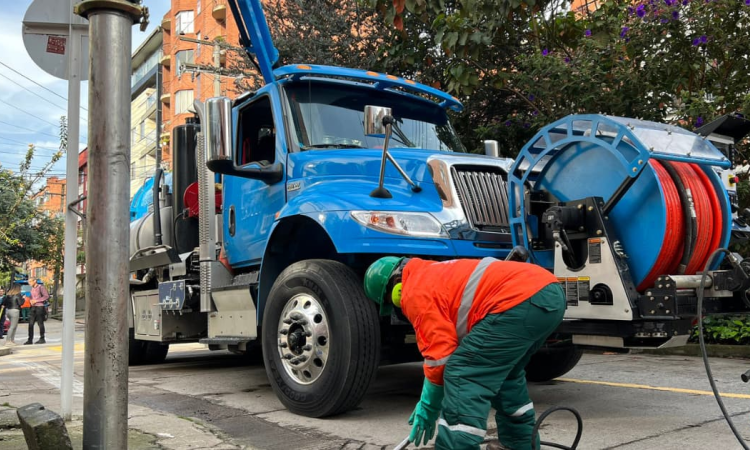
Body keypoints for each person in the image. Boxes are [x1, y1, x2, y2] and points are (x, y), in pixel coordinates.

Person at [364, 256, 566, 450]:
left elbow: (440, 359)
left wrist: (428, 406)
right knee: (506, 377)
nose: (399, 306)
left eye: (393, 302)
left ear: (397, 287)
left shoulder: (414, 290)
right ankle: (518, 444)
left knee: (463, 373)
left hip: (520, 300)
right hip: (549, 293)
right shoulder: (433, 272)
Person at [25, 278, 49, 345]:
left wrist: (37, 300)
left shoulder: (41, 287)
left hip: (39, 307)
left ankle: (42, 338)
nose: (29, 283)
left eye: (30, 281)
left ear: (34, 281)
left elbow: (46, 296)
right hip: (33, 307)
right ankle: (30, 340)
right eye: (28, 282)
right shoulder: (32, 289)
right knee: (30, 323)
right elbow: (32, 297)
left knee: (40, 323)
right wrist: (29, 299)